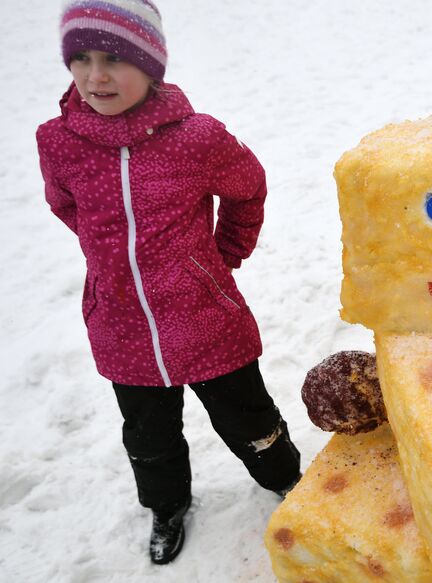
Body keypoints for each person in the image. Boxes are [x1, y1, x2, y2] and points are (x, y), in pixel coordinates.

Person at [36, 0, 301, 565]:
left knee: (248, 416)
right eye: (80, 58)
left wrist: (223, 253)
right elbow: (66, 206)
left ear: (150, 65)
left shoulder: (196, 138)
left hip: (206, 317)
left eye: (114, 58)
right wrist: (108, 263)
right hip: (121, 324)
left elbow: (248, 188)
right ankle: (167, 506)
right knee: (148, 438)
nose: (95, 75)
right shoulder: (58, 141)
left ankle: (288, 482)